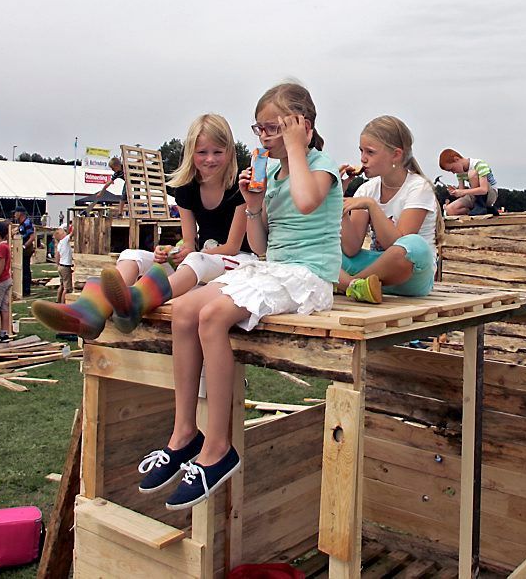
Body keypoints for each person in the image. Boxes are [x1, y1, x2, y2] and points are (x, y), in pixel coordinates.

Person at [133, 83, 342, 510]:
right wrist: (251, 205)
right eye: (260, 127)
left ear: (303, 126)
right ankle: (184, 433)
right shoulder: (277, 174)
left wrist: (297, 146)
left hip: (309, 276)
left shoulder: (320, 166)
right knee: (185, 309)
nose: (264, 135)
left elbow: (305, 203)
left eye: (274, 127)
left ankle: (218, 446)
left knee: (212, 315)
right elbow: (262, 245)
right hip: (275, 267)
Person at [33, 114, 257, 338]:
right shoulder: (187, 188)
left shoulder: (240, 185)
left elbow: (232, 246)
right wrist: (173, 252)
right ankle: (90, 311)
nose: (210, 159)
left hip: (240, 262)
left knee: (196, 259)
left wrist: (190, 254)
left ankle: (135, 301)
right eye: (202, 152)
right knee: (131, 254)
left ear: (230, 152)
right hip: (202, 260)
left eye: (218, 152)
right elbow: (190, 242)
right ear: (191, 153)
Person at [338, 115, 441, 303]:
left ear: (396, 154)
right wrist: (338, 200)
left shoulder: (419, 188)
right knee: (324, 251)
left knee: (415, 246)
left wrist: (371, 206)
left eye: (370, 152)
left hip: (410, 276)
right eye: (361, 151)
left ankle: (348, 284)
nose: (363, 159)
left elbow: (397, 246)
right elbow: (352, 249)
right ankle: (359, 286)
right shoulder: (366, 189)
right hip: (375, 273)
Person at [439, 149, 498, 216]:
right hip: (474, 196)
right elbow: (462, 194)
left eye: (452, 169)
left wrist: (463, 192)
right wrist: (456, 192)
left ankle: (481, 206)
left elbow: (484, 190)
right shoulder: (459, 173)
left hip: (489, 194)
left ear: (456, 159)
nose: (453, 172)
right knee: (450, 210)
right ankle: (485, 210)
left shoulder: (479, 164)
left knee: (472, 174)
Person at [13, 206, 36, 296]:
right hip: (22, 248)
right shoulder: (21, 223)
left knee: (25, 268)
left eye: (15, 213)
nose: (14, 215)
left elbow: (32, 237)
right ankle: (23, 288)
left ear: (20, 213)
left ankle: (26, 289)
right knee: (22, 268)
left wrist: (24, 246)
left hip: (26, 249)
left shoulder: (27, 223)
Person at [54, 227, 74, 303]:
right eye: (63, 232)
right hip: (65, 267)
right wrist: (74, 224)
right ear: (61, 235)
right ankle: (63, 303)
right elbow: (72, 233)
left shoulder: (59, 244)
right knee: (67, 288)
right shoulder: (65, 240)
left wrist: (57, 264)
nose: (65, 233)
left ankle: (57, 300)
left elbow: (57, 256)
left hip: (61, 266)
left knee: (61, 285)